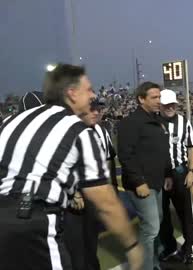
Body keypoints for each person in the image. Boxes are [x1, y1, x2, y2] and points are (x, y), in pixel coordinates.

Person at [0, 64, 142, 269]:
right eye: (89, 89)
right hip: (36, 222)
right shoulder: (78, 129)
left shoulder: (11, 122)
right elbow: (104, 200)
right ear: (72, 93)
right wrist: (132, 244)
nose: (93, 95)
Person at [117, 81, 173, 270]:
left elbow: (162, 151)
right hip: (142, 184)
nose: (159, 101)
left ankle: (153, 263)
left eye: (159, 97)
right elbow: (125, 154)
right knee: (150, 228)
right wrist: (138, 181)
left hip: (157, 182)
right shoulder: (130, 122)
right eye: (154, 97)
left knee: (156, 224)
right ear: (141, 99)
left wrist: (167, 174)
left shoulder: (157, 121)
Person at [64, 99, 117, 270]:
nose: (96, 112)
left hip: (95, 195)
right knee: (76, 247)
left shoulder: (102, 131)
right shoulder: (68, 131)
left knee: (91, 240)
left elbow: (109, 160)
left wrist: (110, 188)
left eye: (98, 109)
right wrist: (75, 192)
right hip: (74, 200)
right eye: (91, 109)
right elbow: (61, 166)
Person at [158, 89, 193, 264]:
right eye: (166, 104)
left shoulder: (183, 122)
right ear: (160, 105)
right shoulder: (154, 122)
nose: (170, 107)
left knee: (185, 213)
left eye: (172, 103)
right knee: (162, 215)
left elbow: (191, 147)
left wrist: (191, 170)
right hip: (159, 174)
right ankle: (170, 247)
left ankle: (189, 249)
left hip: (180, 172)